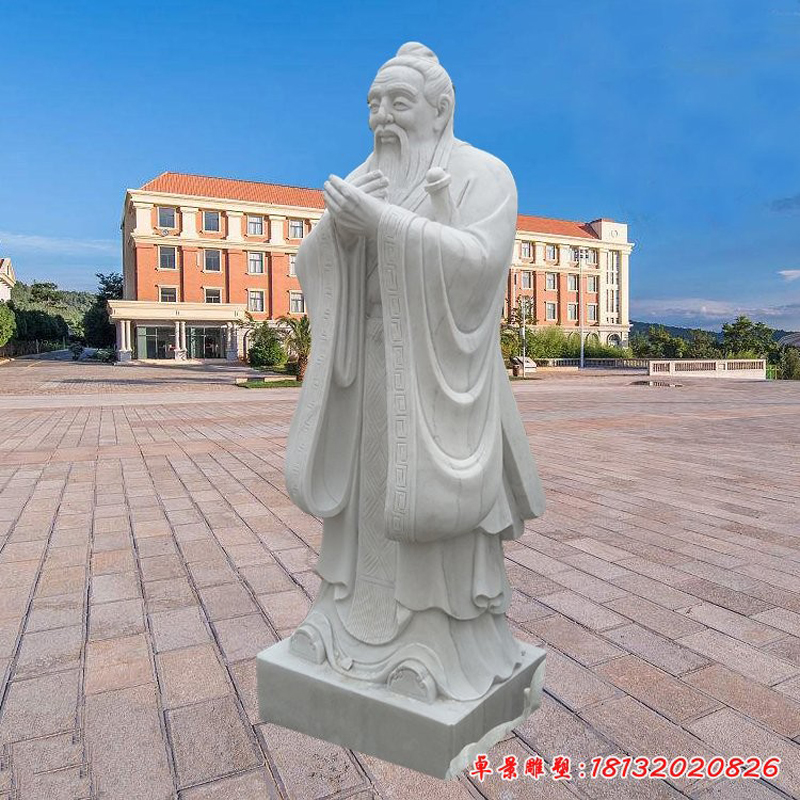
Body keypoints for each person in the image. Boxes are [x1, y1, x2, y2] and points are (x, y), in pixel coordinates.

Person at [284, 42, 545, 703]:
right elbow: (309, 266)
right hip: (368, 380)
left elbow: (480, 263)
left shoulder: (485, 175)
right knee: (364, 506)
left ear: (441, 108)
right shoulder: (364, 176)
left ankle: (432, 641)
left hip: (434, 382)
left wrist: (385, 223)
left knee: (427, 514)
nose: (382, 118)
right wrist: (340, 236)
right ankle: (340, 621)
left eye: (398, 102)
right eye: (373, 104)